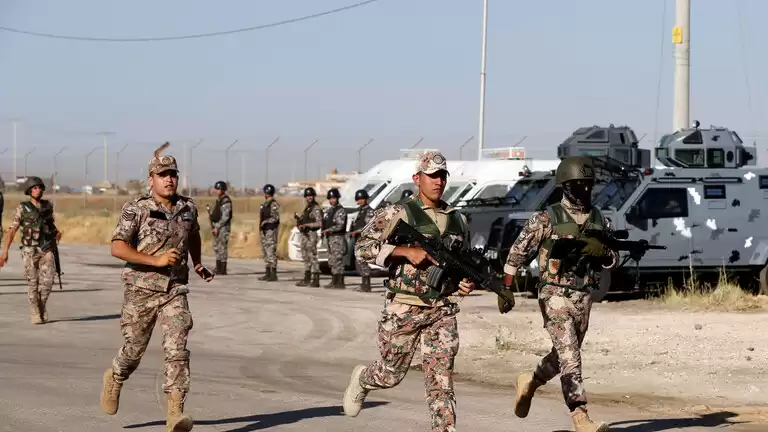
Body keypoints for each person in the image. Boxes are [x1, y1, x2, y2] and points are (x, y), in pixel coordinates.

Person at [343, 151, 476, 432]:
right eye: (432, 176)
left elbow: (460, 264)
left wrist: (464, 282)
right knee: (391, 374)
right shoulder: (398, 212)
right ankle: (364, 379)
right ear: (417, 178)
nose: (438, 182)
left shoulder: (457, 219)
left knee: (441, 381)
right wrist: (404, 251)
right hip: (404, 306)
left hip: (441, 309)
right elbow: (362, 248)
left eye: (442, 176)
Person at [99, 142, 214, 432]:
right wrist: (155, 260)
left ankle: (175, 412)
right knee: (134, 350)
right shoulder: (136, 208)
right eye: (162, 175)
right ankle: (116, 376)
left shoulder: (188, 208)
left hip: (175, 288)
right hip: (141, 290)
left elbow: (194, 235)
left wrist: (198, 263)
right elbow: (117, 247)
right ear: (151, 180)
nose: (169, 179)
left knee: (178, 349)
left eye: (173, 174)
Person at [501, 156, 618, 432]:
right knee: (571, 356)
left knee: (564, 354)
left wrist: (603, 253)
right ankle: (580, 416)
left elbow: (614, 259)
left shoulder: (600, 219)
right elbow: (516, 253)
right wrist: (505, 288)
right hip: (554, 294)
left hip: (583, 295)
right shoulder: (547, 218)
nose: (584, 190)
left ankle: (530, 381)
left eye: (588, 184)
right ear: (565, 185)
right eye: (578, 184)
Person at [0, 176, 61, 325]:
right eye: (34, 188)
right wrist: (5, 251)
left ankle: (41, 305)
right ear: (29, 191)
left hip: (46, 248)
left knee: (48, 282)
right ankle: (35, 311)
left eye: (40, 187)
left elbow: (51, 225)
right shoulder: (23, 208)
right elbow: (12, 230)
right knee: (33, 283)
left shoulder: (47, 206)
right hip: (29, 250)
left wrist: (56, 233)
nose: (38, 190)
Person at [348, 189, 376, 292]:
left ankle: (366, 285)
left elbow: (368, 226)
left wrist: (356, 231)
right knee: (360, 262)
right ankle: (364, 284)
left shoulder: (369, 211)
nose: (360, 201)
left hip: (365, 240)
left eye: (362, 199)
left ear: (366, 199)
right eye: (358, 199)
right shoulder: (361, 211)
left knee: (363, 261)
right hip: (359, 239)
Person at [294, 187, 323, 287]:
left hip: (311, 235)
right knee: (305, 257)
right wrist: (299, 220)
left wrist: (308, 225)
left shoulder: (316, 208)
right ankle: (306, 278)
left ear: (313, 196)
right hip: (304, 235)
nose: (309, 197)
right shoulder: (307, 208)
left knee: (312, 256)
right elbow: (303, 219)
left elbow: (319, 223)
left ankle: (316, 279)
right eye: (307, 196)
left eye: (311, 196)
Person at [322, 188, 347, 289]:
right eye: (330, 198)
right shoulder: (330, 210)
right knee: (332, 260)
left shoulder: (340, 210)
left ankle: (340, 282)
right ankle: (334, 280)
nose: (332, 200)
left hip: (338, 238)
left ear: (337, 198)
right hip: (330, 238)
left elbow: (340, 225)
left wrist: (329, 230)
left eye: (334, 198)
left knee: (338, 260)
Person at [207, 180, 232, 275]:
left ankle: (223, 269)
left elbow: (225, 217)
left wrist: (217, 226)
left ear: (222, 190)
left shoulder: (226, 201)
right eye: (216, 189)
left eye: (218, 189)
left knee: (222, 248)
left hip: (223, 228)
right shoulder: (219, 200)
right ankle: (218, 267)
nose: (216, 191)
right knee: (217, 247)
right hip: (217, 227)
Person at [259, 184, 280, 281]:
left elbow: (275, 218)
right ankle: (267, 273)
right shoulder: (265, 204)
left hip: (271, 231)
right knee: (265, 252)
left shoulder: (273, 204)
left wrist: (265, 222)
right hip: (264, 231)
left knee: (271, 252)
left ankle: (273, 274)